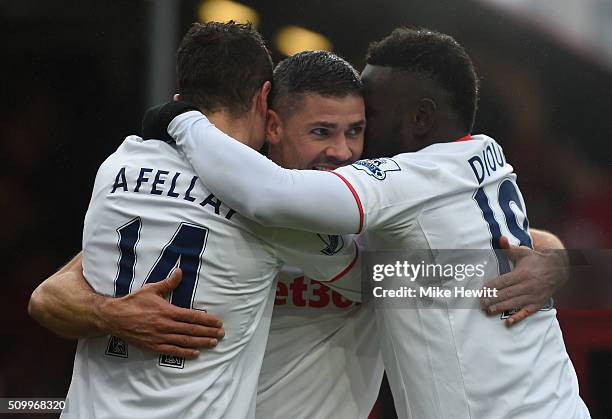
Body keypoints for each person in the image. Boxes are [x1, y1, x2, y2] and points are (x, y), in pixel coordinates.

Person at [30, 47, 567, 419]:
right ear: (272, 124)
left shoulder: (379, 211)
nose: (341, 151)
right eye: (320, 131)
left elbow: (500, 242)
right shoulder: (226, 209)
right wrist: (107, 313)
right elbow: (51, 294)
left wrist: (554, 259)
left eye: (355, 131)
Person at [45, 22, 362, 419]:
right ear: (265, 99)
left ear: (182, 97)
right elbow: (372, 278)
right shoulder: (268, 208)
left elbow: (56, 289)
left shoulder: (116, 167)